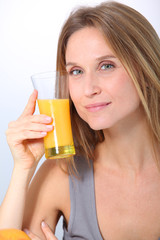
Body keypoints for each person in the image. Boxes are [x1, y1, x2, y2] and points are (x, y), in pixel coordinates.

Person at [0, 1, 160, 239]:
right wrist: (23, 169)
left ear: (145, 70)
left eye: (106, 66)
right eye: (76, 71)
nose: (88, 89)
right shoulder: (62, 174)